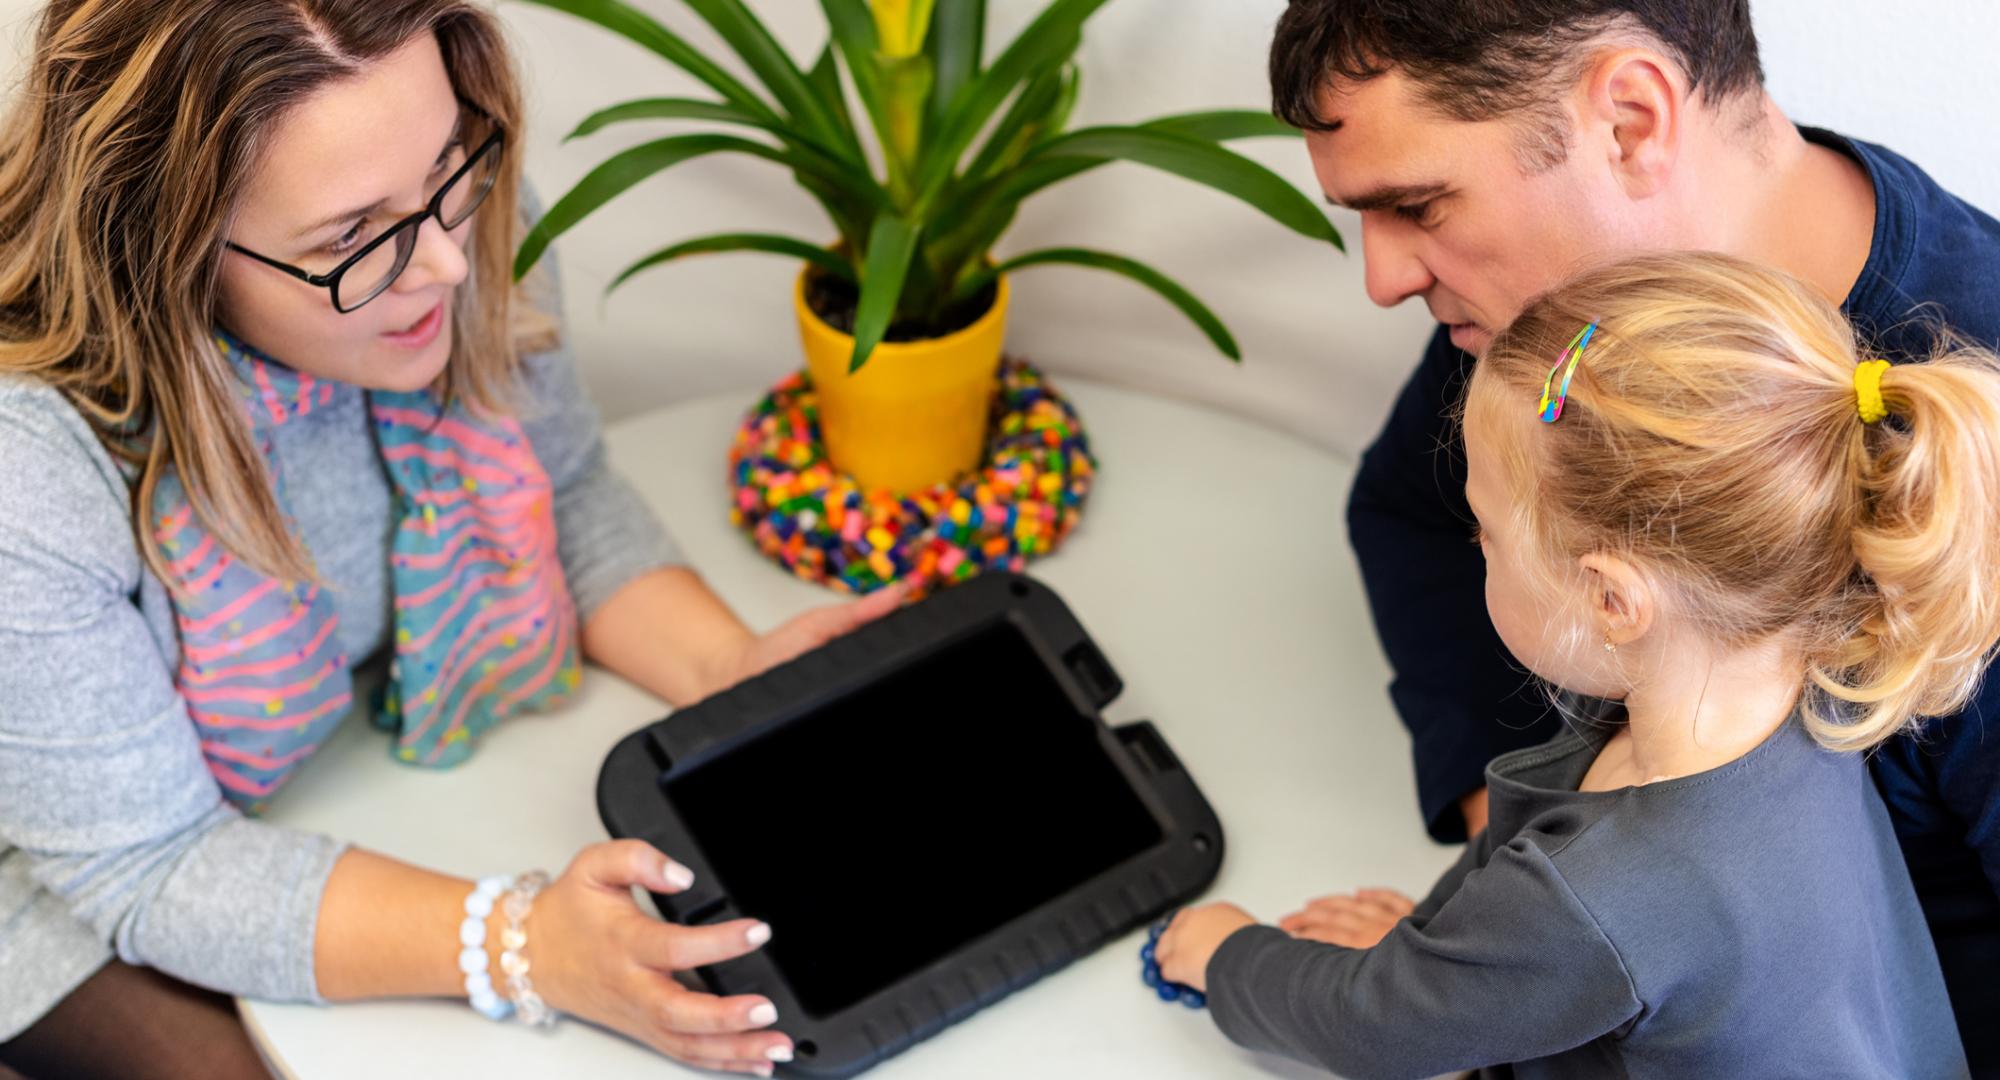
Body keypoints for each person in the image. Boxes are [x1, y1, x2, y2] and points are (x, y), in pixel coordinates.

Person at [0, 2, 898, 1077]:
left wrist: (735, 674)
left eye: (445, 170)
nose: (448, 268)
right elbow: (146, 865)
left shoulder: (457, 224)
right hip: (44, 878)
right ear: (166, 248)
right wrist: (524, 944)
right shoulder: (28, 474)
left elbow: (564, 489)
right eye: (353, 239)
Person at [1264, 0, 2000, 1061]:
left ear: (1627, 121)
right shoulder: (1566, 339)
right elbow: (1404, 515)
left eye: (1418, 205)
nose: (1382, 280)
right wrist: (1519, 919)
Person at [1155, 251, 1985, 1077]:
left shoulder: (1597, 899)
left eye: (1484, 531)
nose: (1475, 546)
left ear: (1611, 602)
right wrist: (1471, 967)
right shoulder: (1813, 683)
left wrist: (1225, 954)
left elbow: (1376, 1032)